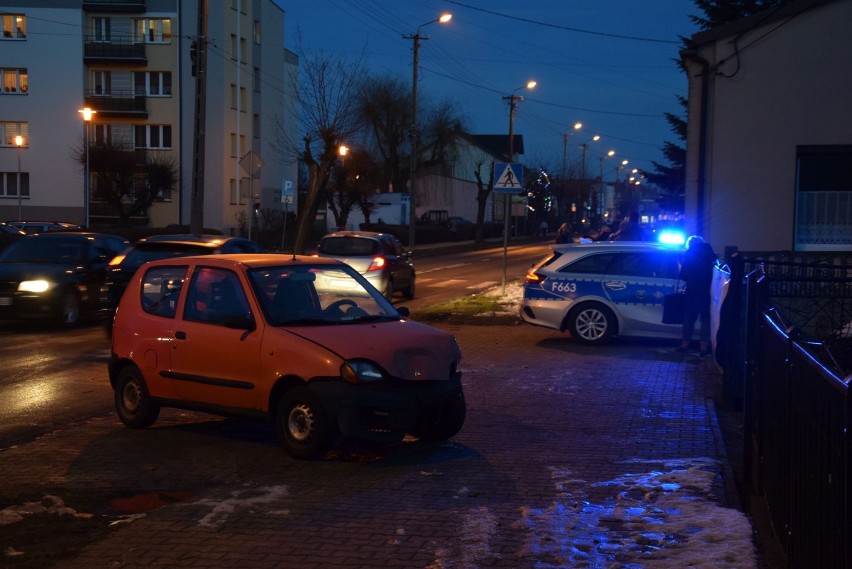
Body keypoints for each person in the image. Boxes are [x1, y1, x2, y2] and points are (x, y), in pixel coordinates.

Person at [677, 235, 717, 356]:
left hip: (693, 290)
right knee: (705, 319)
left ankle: (685, 345)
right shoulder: (711, 255)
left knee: (689, 318)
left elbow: (684, 276)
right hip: (708, 291)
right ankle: (703, 347)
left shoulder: (688, 255)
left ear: (690, 244)